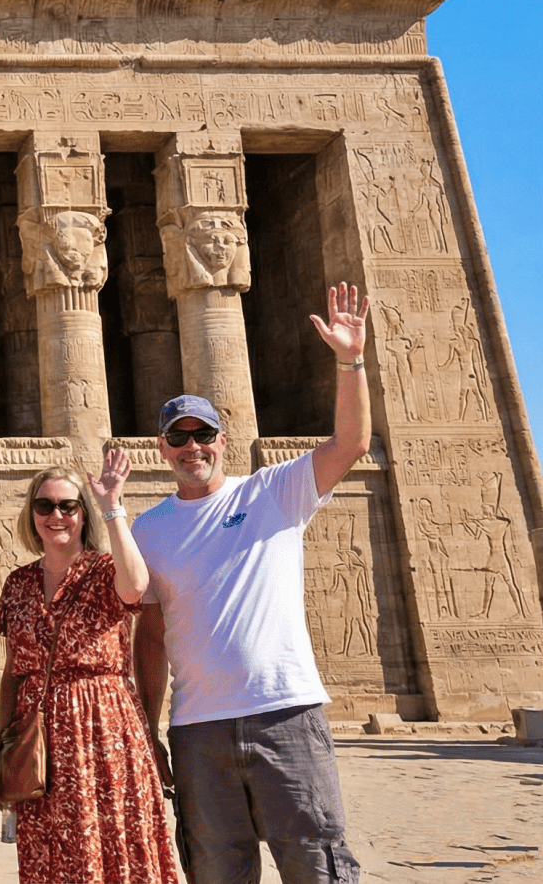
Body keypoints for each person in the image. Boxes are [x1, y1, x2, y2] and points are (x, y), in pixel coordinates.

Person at [132, 283, 373, 883]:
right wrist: (148, 725)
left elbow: (351, 445)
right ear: (163, 448)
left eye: (204, 435)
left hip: (284, 711)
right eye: (180, 438)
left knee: (316, 864)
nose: (194, 448)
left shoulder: (272, 492)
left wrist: (350, 362)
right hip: (196, 726)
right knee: (215, 870)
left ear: (222, 439)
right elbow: (152, 635)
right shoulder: (149, 529)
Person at [0, 451, 177, 884]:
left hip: (102, 730)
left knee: (111, 842)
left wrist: (112, 505)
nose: (56, 515)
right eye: (45, 506)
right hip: (37, 741)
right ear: (31, 514)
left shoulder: (105, 569)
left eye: (68, 506)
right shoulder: (17, 583)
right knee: (51, 851)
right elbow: (12, 672)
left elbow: (137, 586)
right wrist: (4, 745)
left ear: (82, 514)